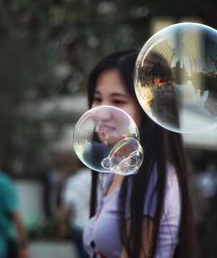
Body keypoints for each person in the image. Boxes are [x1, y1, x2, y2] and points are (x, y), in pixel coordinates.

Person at [83, 49, 194, 258]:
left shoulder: (152, 174)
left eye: (117, 101)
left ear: (150, 109)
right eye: (98, 99)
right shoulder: (116, 172)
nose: (102, 112)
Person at [58, 166, 91, 258]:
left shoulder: (73, 181)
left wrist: (62, 226)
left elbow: (67, 206)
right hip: (97, 227)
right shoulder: (102, 179)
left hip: (79, 226)